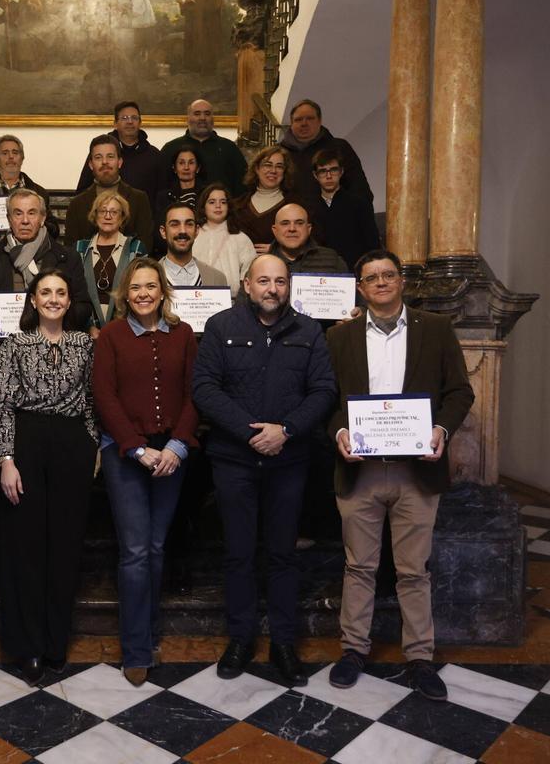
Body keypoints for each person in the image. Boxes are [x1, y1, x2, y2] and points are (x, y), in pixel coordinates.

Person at [325, 250, 474, 700]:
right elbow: (325, 398)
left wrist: (440, 429)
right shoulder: (339, 338)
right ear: (361, 288)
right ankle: (353, 649)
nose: (382, 282)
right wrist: (339, 431)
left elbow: (460, 392)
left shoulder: (436, 329)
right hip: (361, 470)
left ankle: (420, 657)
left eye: (389, 274)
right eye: (372, 277)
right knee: (359, 566)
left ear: (400, 282)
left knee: (413, 570)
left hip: (417, 472)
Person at [192, 254, 337, 685]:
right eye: (263, 281)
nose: (271, 289)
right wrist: (249, 432)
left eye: (279, 281)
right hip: (234, 459)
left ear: (288, 286)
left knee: (282, 554)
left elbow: (325, 389)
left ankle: (284, 644)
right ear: (246, 283)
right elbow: (204, 387)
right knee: (238, 553)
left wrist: (286, 430)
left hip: (289, 460)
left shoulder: (309, 331)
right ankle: (240, 639)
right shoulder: (221, 327)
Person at [0, 267, 98, 686]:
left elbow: (91, 401)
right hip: (26, 443)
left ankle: (56, 643)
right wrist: (7, 458)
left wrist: (91, 445)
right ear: (32, 300)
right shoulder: (15, 344)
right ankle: (27, 646)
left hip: (72, 445)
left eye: (61, 292)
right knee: (25, 547)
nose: (53, 298)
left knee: (66, 547)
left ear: (70, 302)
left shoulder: (85, 345)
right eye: (45, 292)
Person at [92, 257, 199, 686]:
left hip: (172, 454)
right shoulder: (112, 336)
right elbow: (104, 396)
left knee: (156, 548)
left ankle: (150, 632)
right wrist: (137, 449)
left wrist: (176, 446)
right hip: (126, 456)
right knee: (135, 552)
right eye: (135, 287)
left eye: (151, 286)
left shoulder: (184, 334)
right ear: (124, 293)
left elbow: (197, 394)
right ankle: (136, 648)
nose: (143, 294)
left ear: (163, 290)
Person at [0, 188, 93, 334]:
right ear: (9, 219)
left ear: (43, 218)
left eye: (32, 213)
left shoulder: (68, 257)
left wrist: (58, 319)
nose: (25, 221)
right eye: (18, 213)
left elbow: (83, 306)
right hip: (4, 342)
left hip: (55, 340)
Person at [66, 135, 155, 251]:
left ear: (120, 162)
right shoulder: (77, 204)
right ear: (91, 165)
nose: (104, 162)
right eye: (98, 157)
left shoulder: (139, 199)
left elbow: (145, 245)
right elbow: (70, 249)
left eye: (110, 157)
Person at [75, 191, 147, 333]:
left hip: (128, 330)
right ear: (95, 216)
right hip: (87, 331)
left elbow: (142, 292)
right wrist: (89, 327)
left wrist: (119, 328)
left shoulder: (136, 248)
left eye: (114, 212)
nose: (108, 216)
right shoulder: (80, 249)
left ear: (122, 218)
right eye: (103, 211)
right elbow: (75, 292)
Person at [0, 134, 58, 245]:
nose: (11, 157)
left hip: (30, 254)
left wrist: (39, 223)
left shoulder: (39, 192)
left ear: (22, 159)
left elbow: (54, 230)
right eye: (5, 153)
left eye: (15, 152)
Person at [281, 99, 373, 206]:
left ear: (319, 121)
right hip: (292, 220)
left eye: (310, 118)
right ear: (291, 123)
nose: (304, 123)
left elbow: (359, 189)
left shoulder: (340, 148)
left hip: (333, 218)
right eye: (298, 119)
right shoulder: (280, 154)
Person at [307, 147, 381, 273]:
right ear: (315, 175)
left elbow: (372, 245)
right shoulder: (308, 207)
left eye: (333, 170)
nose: (328, 176)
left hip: (353, 273)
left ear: (341, 172)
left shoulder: (359, 204)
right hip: (317, 273)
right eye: (323, 171)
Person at [74, 102, 163, 203]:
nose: (130, 121)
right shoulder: (100, 152)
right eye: (124, 118)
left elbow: (161, 195)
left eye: (134, 118)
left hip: (141, 216)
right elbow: (82, 193)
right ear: (115, 124)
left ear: (140, 123)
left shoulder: (154, 155)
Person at [159, 99, 247, 197]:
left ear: (213, 118)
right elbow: (161, 183)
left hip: (221, 209)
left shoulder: (229, 148)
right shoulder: (171, 148)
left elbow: (242, 184)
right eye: (197, 114)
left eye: (207, 114)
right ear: (188, 118)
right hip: (181, 209)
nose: (202, 118)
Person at [234, 145, 304, 254]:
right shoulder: (238, 205)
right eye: (267, 165)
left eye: (279, 166)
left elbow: (309, 241)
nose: (273, 170)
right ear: (257, 169)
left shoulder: (296, 205)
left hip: (281, 268)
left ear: (284, 172)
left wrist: (279, 250)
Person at [191, 183, 256, 298]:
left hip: (231, 300)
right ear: (203, 207)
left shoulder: (240, 238)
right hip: (196, 299)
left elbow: (249, 272)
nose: (218, 206)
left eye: (223, 202)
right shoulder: (192, 236)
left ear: (229, 206)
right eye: (212, 202)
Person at [158, 203, 229, 288]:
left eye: (189, 224)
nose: (183, 231)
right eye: (174, 224)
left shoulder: (217, 278)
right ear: (163, 232)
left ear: (197, 231)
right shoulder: (148, 276)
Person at [269, 202, 349, 275]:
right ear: (275, 230)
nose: (292, 229)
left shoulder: (332, 260)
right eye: (285, 223)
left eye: (299, 223)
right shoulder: (261, 264)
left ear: (309, 229)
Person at [153, 144, 206, 237]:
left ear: (198, 168)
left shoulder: (207, 195)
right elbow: (160, 230)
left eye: (191, 163)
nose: (186, 167)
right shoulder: (164, 197)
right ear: (174, 168)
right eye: (181, 163)